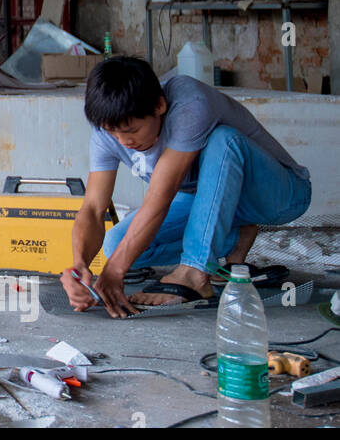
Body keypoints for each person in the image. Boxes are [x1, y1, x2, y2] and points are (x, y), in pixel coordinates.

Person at [61, 56, 311, 317]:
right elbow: (92, 208)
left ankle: (194, 270)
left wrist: (114, 271)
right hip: (208, 200)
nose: (124, 141)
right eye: (114, 133)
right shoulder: (109, 131)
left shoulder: (190, 103)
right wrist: (80, 265)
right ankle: (234, 238)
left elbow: (160, 197)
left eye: (132, 130)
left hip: (279, 195)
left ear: (159, 105)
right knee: (116, 244)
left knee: (223, 140)